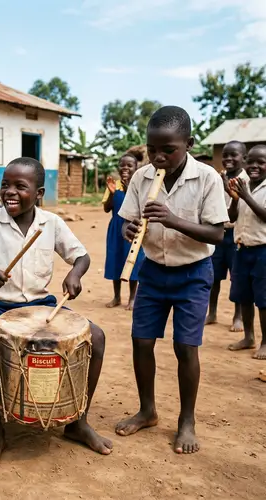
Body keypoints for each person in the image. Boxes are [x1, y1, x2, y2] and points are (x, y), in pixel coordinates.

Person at [0, 157, 112, 473]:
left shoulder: (51, 223)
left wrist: (75, 275)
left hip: (41, 305)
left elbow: (81, 256)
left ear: (38, 193)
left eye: (19, 187)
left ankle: (78, 422)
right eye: (5, 186)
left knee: (96, 336)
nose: (10, 192)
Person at [115, 106, 229, 454]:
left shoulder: (207, 177)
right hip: (152, 271)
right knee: (141, 342)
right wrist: (129, 228)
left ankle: (187, 420)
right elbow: (126, 222)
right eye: (153, 150)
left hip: (193, 274)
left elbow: (216, 234)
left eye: (169, 150)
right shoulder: (141, 177)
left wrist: (172, 219)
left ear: (189, 144)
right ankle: (148, 410)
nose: (159, 157)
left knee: (185, 347)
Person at [227, 144, 266, 360]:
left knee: (263, 299)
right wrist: (235, 198)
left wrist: (245, 196)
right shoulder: (243, 186)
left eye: (261, 162)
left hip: (263, 252)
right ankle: (249, 337)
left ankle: (265, 342)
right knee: (244, 296)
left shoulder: (255, 189)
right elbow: (233, 217)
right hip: (241, 249)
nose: (254, 166)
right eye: (250, 161)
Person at [205, 141, 247, 332]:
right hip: (217, 233)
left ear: (243, 159)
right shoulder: (216, 178)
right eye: (225, 155)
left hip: (238, 234)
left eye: (234, 155)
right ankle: (211, 312)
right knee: (213, 276)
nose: (228, 159)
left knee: (236, 277)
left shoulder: (246, 181)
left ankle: (237, 316)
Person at [103, 153, 144, 310]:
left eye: (129, 165)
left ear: (136, 168)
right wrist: (112, 193)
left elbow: (139, 207)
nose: (125, 168)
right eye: (122, 165)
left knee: (132, 261)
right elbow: (107, 208)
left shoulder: (138, 185)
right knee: (116, 260)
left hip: (133, 227)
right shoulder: (114, 184)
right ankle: (116, 297)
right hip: (115, 228)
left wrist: (127, 188)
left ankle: (132, 298)